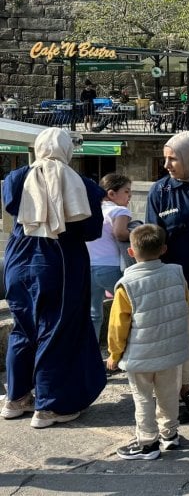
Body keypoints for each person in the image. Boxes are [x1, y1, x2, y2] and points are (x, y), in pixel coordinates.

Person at [2, 128, 106, 428]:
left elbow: (12, 207)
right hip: (58, 259)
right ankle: (49, 405)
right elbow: (90, 231)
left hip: (18, 257)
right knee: (56, 328)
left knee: (23, 328)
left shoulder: (16, 178)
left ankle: (16, 397)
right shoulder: (82, 184)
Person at [106, 224, 189, 460]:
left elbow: (117, 326)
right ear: (164, 249)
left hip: (140, 355)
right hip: (171, 351)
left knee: (143, 397)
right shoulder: (176, 272)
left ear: (131, 252)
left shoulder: (127, 284)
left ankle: (147, 443)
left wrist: (114, 354)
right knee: (168, 395)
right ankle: (170, 435)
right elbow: (185, 303)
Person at [145, 131, 189, 424]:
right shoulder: (160, 192)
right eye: (165, 158)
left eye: (173, 158)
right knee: (171, 343)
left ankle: (185, 387)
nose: (167, 164)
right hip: (172, 284)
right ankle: (168, 398)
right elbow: (150, 237)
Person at [85, 172, 132, 342]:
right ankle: (123, 350)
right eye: (126, 191)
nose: (130, 196)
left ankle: (91, 354)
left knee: (93, 313)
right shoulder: (120, 210)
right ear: (111, 194)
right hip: (110, 267)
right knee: (131, 307)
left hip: (88, 267)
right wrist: (136, 234)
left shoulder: (92, 210)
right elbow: (120, 233)